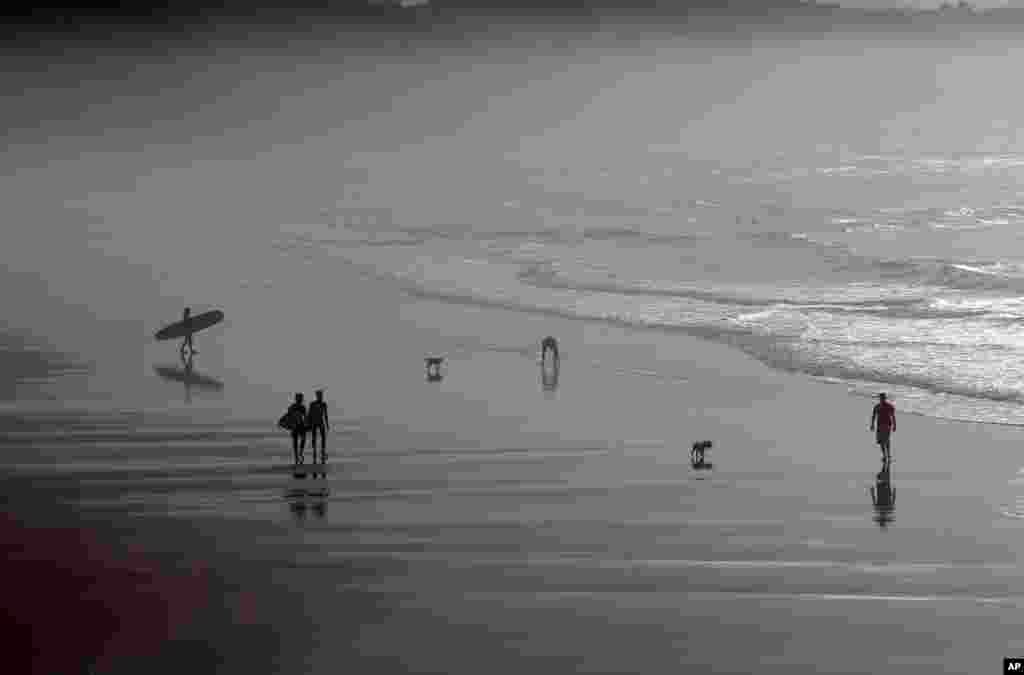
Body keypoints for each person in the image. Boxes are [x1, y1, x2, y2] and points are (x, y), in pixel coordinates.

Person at [870, 393, 896, 462]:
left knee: (886, 440)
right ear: (880, 398)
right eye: (881, 398)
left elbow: (893, 416)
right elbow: (873, 416)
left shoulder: (890, 406)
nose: (882, 399)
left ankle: (889, 455)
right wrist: (872, 425)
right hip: (879, 426)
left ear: (885, 398)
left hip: (887, 425)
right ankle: (885, 455)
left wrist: (894, 425)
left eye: (883, 398)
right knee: (881, 441)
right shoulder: (877, 406)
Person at [307, 389, 330, 464]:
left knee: (323, 437)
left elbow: (325, 415)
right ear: (316, 396)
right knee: (314, 437)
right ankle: (314, 451)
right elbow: (309, 414)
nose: (320, 396)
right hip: (314, 422)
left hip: (321, 422)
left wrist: (327, 424)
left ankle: (323, 451)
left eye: (321, 395)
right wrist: (308, 423)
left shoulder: (324, 404)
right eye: (319, 395)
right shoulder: (312, 404)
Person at [287, 393, 308, 465]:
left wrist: (306, 425)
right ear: (296, 399)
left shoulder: (303, 407)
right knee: (295, 441)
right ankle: (296, 455)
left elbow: (305, 417)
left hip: (301, 425)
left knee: (303, 439)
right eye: (299, 398)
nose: (300, 399)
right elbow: (288, 416)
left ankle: (300, 453)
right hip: (295, 426)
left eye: (301, 398)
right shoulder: (292, 406)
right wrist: (290, 426)